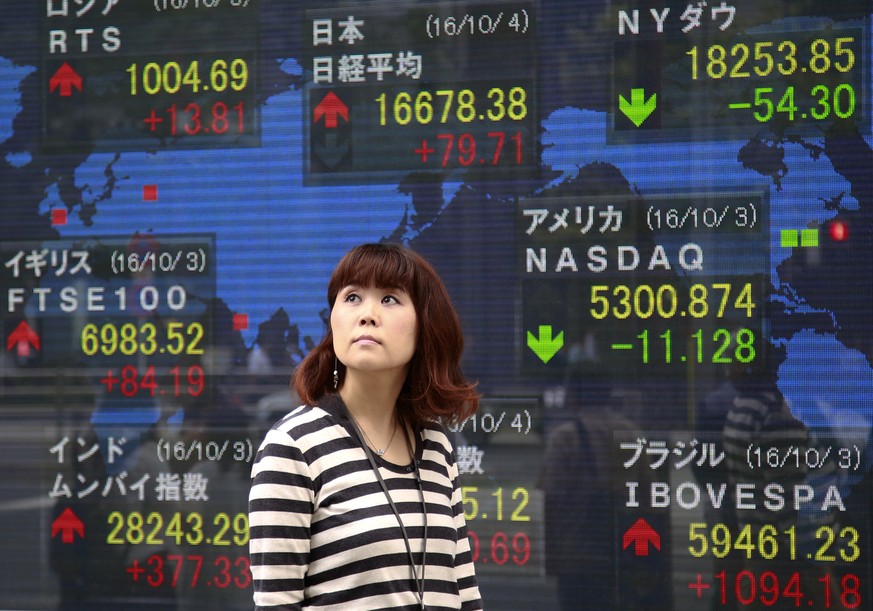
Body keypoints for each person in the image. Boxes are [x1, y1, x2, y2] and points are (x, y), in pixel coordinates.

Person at [249, 242, 483, 610]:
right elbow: (277, 604)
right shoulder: (293, 446)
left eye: (390, 298)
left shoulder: (436, 445)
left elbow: (465, 593)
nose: (367, 314)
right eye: (353, 296)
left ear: (426, 324)